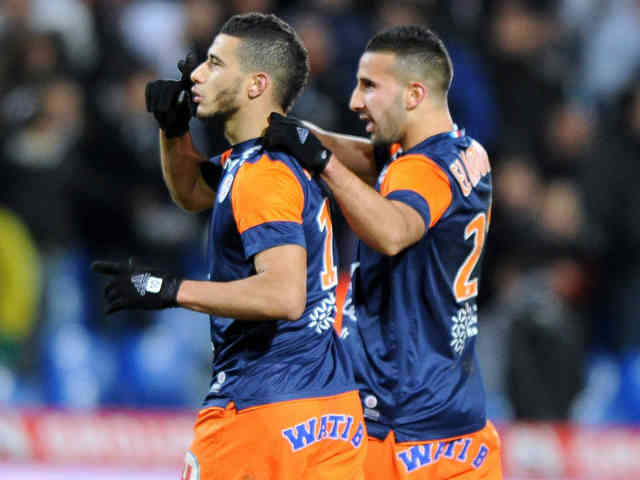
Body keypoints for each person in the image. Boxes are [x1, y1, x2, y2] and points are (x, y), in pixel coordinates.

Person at [92, 12, 366, 480]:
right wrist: (173, 131)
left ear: (257, 84)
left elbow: (282, 294)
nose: (197, 73)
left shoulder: (261, 175)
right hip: (330, 412)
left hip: (261, 414)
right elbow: (194, 193)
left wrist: (170, 289)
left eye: (216, 63)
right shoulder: (272, 160)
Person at [264, 25, 503, 479]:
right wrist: (295, 133)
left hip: (401, 425)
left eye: (370, 85)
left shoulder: (422, 169)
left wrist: (320, 163)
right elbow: (364, 155)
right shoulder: (464, 151)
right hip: (458, 420)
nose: (356, 101)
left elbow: (393, 231)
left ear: (414, 94)